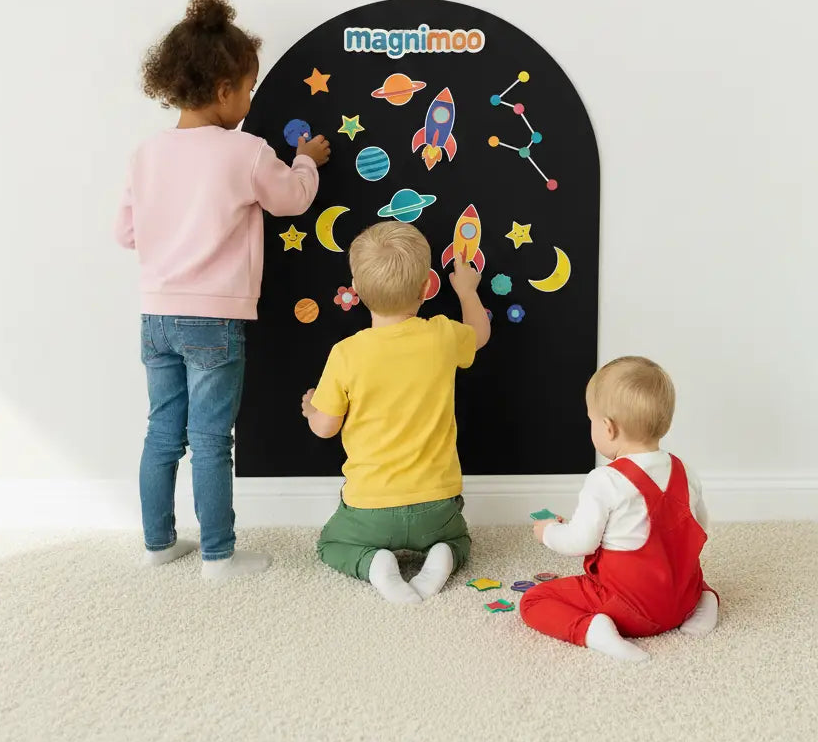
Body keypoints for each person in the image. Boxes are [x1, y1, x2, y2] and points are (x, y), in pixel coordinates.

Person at [115, 0, 329, 581]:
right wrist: (306, 160)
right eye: (250, 88)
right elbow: (292, 200)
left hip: (156, 317)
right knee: (211, 439)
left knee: (163, 432)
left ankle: (158, 543)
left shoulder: (146, 153)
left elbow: (125, 233)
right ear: (223, 89)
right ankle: (218, 555)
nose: (251, 100)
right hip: (213, 320)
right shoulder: (247, 151)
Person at [302, 222, 490, 604]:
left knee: (331, 544)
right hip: (437, 507)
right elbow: (480, 334)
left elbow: (325, 428)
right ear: (426, 288)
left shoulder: (346, 354)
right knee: (461, 540)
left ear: (356, 289)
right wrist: (467, 291)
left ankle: (373, 562)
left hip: (369, 508)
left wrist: (311, 408)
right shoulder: (442, 335)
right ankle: (444, 552)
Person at [521, 356, 718, 662]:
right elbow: (699, 527)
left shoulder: (605, 480)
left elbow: (580, 542)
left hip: (628, 610)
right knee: (684, 572)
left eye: (591, 420)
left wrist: (549, 531)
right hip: (679, 600)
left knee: (534, 601)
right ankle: (704, 602)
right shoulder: (684, 471)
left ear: (608, 428)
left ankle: (593, 630)